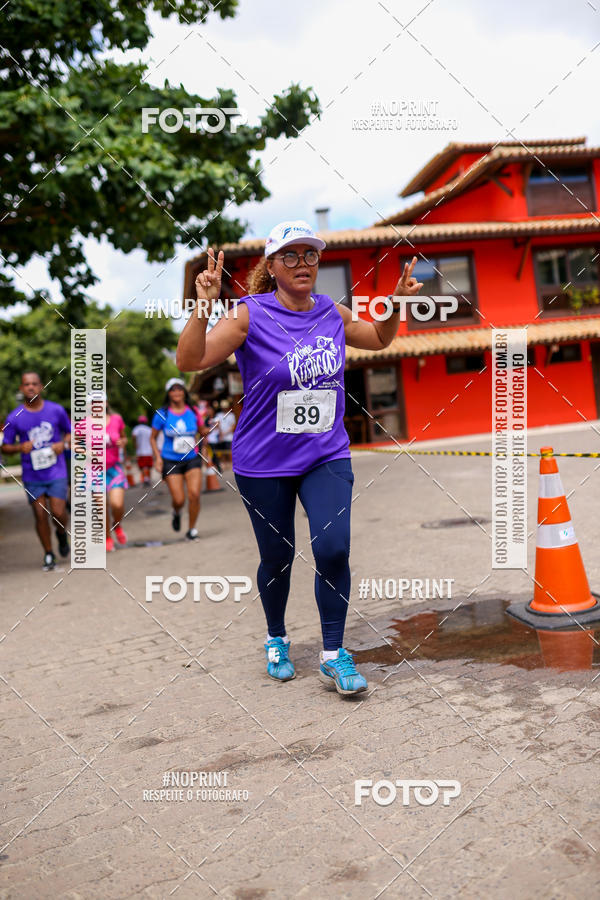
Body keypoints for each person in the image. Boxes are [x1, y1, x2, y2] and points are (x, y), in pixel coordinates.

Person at [176, 220, 423, 697]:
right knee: (278, 556)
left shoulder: (332, 311)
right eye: (289, 256)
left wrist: (398, 305)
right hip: (263, 461)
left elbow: (379, 338)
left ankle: (333, 654)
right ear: (271, 266)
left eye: (310, 255)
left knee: (333, 548)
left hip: (325, 453)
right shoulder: (248, 314)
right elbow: (190, 361)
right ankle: (276, 638)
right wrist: (203, 308)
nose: (302, 263)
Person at [2, 371, 71, 570]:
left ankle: (61, 534)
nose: (31, 387)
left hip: (55, 470)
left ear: (41, 386)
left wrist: (62, 444)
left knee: (58, 512)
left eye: (34, 384)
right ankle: (49, 554)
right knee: (40, 515)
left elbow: (70, 432)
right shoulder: (14, 417)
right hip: (32, 474)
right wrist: (18, 448)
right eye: (26, 384)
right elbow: (5, 446)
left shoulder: (55, 410)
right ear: (21, 388)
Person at [150, 378, 203, 541]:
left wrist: (205, 454)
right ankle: (177, 512)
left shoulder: (193, 411)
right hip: (170, 460)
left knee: (194, 494)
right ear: (168, 393)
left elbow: (202, 433)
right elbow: (152, 438)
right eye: (173, 390)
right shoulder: (162, 414)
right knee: (179, 499)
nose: (177, 392)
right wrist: (158, 458)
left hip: (192, 458)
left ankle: (192, 530)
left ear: (184, 392)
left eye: (179, 389)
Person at [132, 414, 153, 485]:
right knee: (149, 466)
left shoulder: (137, 428)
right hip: (149, 450)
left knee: (143, 466)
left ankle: (146, 478)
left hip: (141, 451)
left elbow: (134, 436)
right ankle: (148, 478)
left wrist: (135, 444)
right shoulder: (149, 429)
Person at [214, 398, 236, 463]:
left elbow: (233, 426)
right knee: (221, 452)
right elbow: (217, 425)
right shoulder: (218, 415)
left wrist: (224, 433)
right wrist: (221, 434)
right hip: (220, 436)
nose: (224, 408)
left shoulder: (231, 415)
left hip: (229, 437)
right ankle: (223, 464)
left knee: (229, 452)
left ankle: (230, 464)